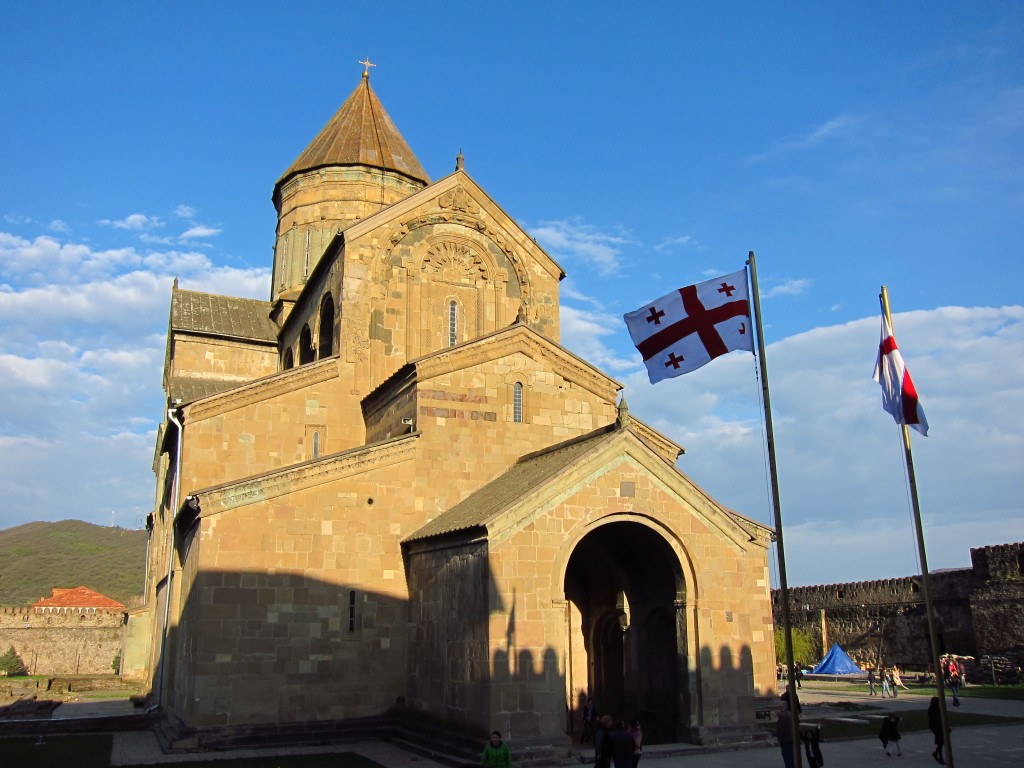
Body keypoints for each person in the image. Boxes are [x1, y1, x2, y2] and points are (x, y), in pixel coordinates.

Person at [776, 698, 795, 768]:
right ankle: (792, 766)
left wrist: (779, 738)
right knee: (791, 753)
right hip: (791, 737)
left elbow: (781, 729)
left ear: (782, 707)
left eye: (779, 706)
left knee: (786, 754)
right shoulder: (790, 714)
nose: (779, 708)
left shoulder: (781, 715)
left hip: (784, 739)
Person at [928, 696, 946, 765]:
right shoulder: (931, 710)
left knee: (941, 742)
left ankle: (936, 753)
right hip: (935, 727)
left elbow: (941, 718)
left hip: (939, 726)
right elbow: (935, 720)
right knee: (940, 741)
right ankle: (940, 757)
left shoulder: (938, 709)